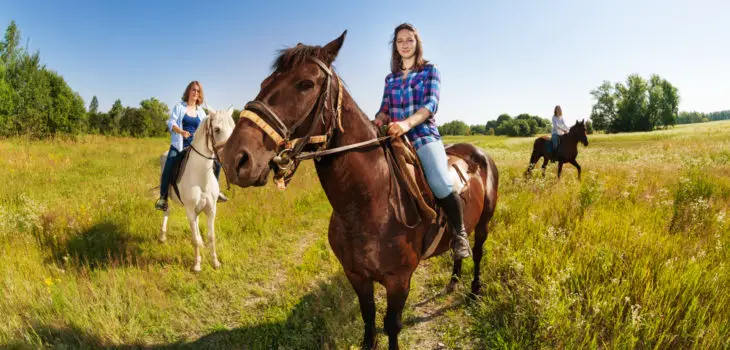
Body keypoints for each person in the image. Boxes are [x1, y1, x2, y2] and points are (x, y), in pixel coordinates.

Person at [373, 23, 471, 260]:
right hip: (393, 136)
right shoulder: (390, 79)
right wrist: (378, 119)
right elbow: (384, 109)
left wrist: (407, 124)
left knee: (439, 181)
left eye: (409, 40)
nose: (405, 45)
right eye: (400, 41)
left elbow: (430, 105)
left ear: (417, 43)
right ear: (395, 47)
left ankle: (460, 234)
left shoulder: (430, 70)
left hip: (422, 135)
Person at [155, 81, 227, 211]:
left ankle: (216, 192)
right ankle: (163, 198)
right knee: (168, 165)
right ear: (188, 91)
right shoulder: (180, 107)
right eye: (193, 90)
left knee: (217, 163)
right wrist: (181, 132)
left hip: (197, 148)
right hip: (180, 145)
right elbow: (171, 123)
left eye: (198, 91)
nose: (196, 93)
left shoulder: (201, 113)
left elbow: (207, 128)